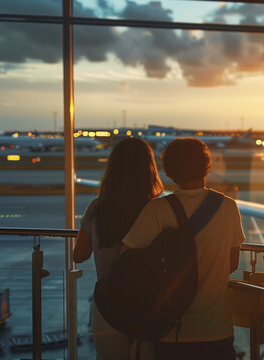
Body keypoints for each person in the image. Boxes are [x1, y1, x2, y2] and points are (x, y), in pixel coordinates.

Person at [121, 137, 246, 360]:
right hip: (217, 330)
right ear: (207, 167)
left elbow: (126, 261)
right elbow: (232, 263)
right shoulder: (228, 207)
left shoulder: (157, 210)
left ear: (169, 172)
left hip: (171, 331)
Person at [74, 137, 164, 360]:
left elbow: (79, 255)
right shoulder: (156, 210)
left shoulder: (97, 208)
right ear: (149, 169)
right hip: (147, 304)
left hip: (107, 303)